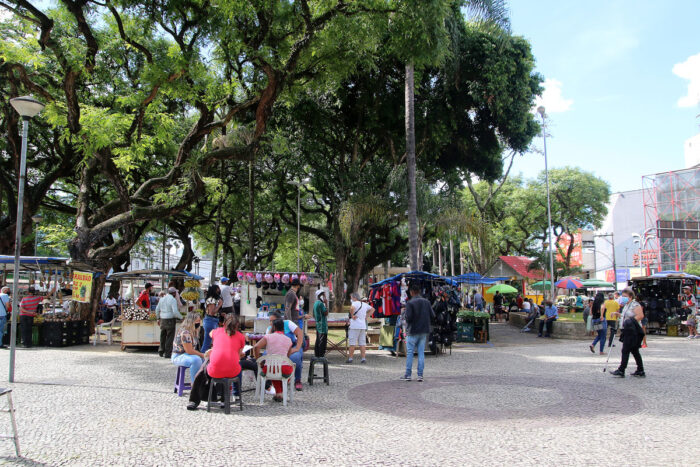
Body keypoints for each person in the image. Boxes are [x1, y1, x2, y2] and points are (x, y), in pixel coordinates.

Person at [254, 318, 294, 402]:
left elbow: (256, 347)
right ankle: (280, 393)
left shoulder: (268, 337)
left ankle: (279, 393)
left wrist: (259, 360)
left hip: (270, 369)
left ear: (274, 327)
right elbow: (287, 356)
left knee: (273, 369)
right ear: (283, 328)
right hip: (284, 369)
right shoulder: (289, 340)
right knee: (284, 370)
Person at [401, 283, 434, 382]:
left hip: (412, 330)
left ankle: (408, 374)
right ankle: (420, 375)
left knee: (410, 352)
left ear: (411, 292)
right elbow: (433, 315)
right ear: (419, 291)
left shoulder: (410, 303)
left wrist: (404, 312)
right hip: (424, 331)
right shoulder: (426, 302)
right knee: (421, 352)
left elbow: (408, 318)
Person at [265, 311, 304, 391]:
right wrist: (271, 330)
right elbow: (267, 342)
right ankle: (271, 379)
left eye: (273, 321)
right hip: (277, 350)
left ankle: (297, 380)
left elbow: (300, 333)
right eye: (270, 321)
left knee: (296, 358)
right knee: (265, 356)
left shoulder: (288, 323)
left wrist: (297, 347)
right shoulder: (269, 329)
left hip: (291, 347)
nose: (270, 323)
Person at [611, 288, 645, 378]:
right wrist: (618, 314)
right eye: (623, 296)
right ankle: (640, 370)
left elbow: (640, 316)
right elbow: (626, 315)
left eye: (625, 296)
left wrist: (630, 321)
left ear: (630, 297)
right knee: (634, 351)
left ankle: (621, 370)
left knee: (625, 350)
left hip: (632, 330)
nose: (623, 298)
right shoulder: (626, 305)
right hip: (627, 330)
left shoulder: (635, 304)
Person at [171, 312, 205, 384]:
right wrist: (202, 354)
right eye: (197, 321)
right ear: (191, 321)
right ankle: (195, 384)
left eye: (199, 321)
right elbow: (189, 350)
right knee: (196, 360)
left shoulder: (193, 331)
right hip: (178, 355)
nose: (199, 323)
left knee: (206, 360)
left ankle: (203, 383)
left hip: (187, 355)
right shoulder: (185, 332)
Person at [156, 287, 183, 358]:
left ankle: (161, 351)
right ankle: (168, 353)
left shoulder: (162, 299)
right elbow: (175, 312)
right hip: (170, 320)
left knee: (163, 336)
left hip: (162, 319)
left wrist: (158, 318)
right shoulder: (173, 300)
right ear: (174, 293)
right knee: (170, 337)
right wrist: (181, 317)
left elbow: (157, 309)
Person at [347, 292, 374, 364]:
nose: (351, 299)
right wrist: (366, 316)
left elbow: (352, 308)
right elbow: (372, 309)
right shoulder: (364, 304)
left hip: (355, 325)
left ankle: (350, 358)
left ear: (354, 298)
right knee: (362, 343)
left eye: (351, 297)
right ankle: (363, 358)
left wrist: (352, 315)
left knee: (352, 342)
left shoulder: (354, 303)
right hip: (362, 325)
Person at [201, 285, 223, 353]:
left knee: (210, 340)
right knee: (207, 341)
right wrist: (219, 305)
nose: (219, 291)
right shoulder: (211, 300)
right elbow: (212, 312)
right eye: (218, 289)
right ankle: (202, 355)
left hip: (211, 320)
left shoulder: (212, 299)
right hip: (211, 321)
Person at [313, 289, 328, 358]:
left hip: (318, 324)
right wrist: (326, 304)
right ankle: (321, 356)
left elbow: (313, 315)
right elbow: (326, 313)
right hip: (322, 325)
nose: (325, 297)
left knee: (318, 340)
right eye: (323, 295)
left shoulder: (315, 303)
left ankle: (317, 355)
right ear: (320, 296)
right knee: (322, 341)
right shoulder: (321, 304)